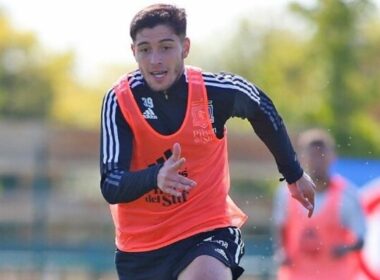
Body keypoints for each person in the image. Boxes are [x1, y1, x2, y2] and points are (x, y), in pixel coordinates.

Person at [99, 4, 315, 280]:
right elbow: (111, 184)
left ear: (185, 47)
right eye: (144, 49)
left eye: (166, 47)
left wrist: (294, 174)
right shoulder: (120, 101)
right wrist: (156, 177)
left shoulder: (214, 92)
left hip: (206, 230)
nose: (155, 59)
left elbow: (261, 107)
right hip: (141, 249)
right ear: (133, 52)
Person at [272, 128, 366, 280]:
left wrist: (345, 248)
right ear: (302, 158)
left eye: (322, 156)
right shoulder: (286, 193)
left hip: (336, 275)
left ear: (333, 157)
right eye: (313, 155)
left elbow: (361, 239)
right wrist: (280, 251)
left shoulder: (347, 195)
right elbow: (280, 226)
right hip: (296, 275)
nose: (317, 161)